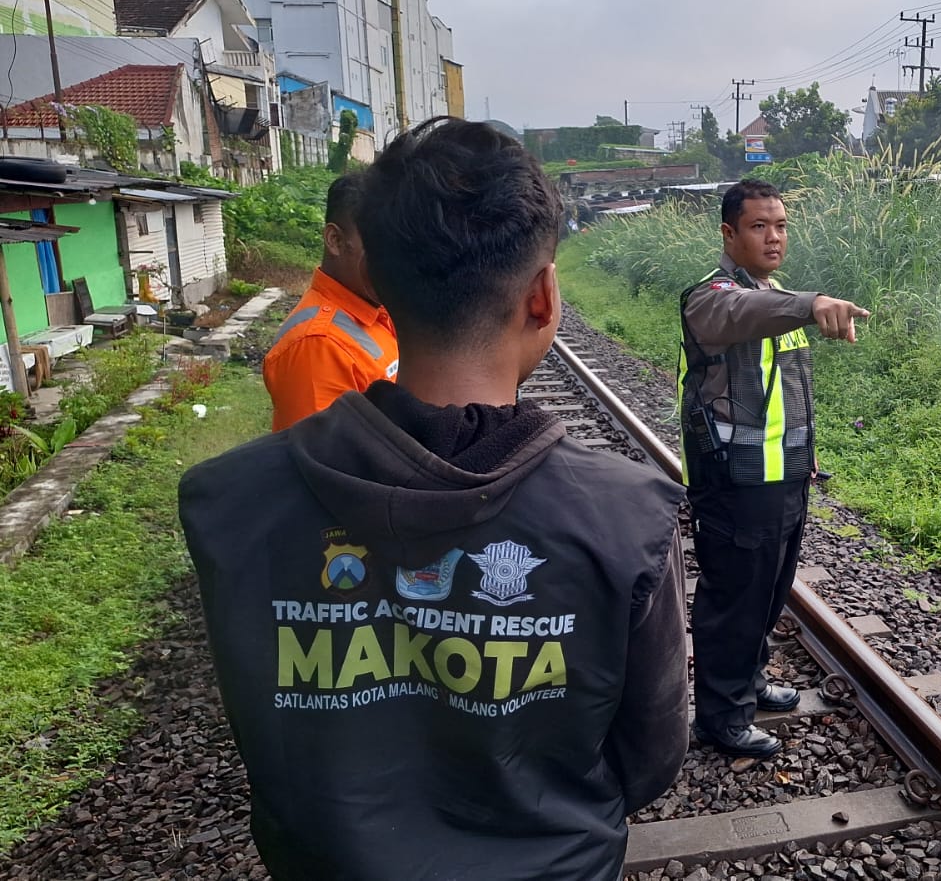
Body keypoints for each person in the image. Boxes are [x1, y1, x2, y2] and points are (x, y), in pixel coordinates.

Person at [179, 117, 688, 881]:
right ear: (544, 297)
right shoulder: (629, 511)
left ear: (377, 278)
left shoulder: (226, 502)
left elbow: (267, 730)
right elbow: (648, 760)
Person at [678, 178, 869, 759]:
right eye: (759, 226)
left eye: (781, 225)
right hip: (735, 479)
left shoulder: (773, 292)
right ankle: (721, 715)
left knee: (769, 589)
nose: (774, 236)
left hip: (783, 474)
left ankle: (750, 684)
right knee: (734, 598)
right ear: (729, 233)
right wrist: (811, 305)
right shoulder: (710, 297)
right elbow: (743, 311)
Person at [262, 171, 400, 431]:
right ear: (335, 240)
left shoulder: (377, 311)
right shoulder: (317, 346)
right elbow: (323, 463)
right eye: (380, 244)